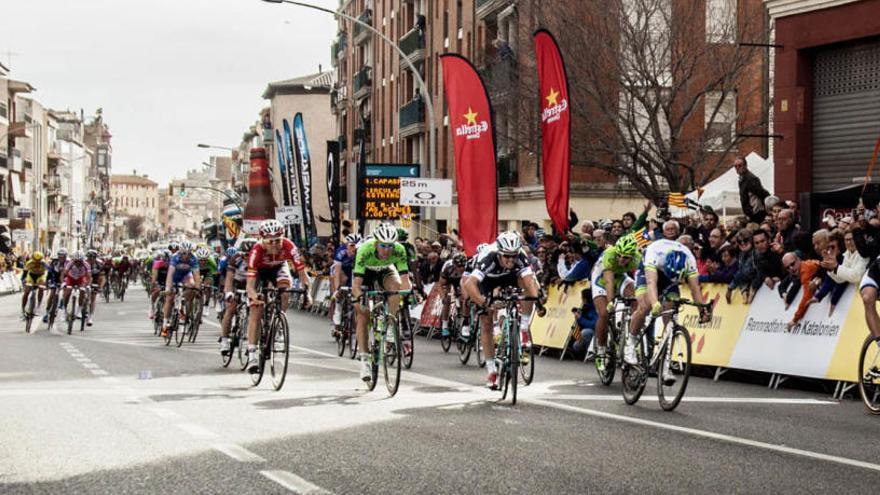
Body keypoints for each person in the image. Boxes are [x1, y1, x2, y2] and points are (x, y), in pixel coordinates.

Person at [462, 231, 542, 389]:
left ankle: (524, 328)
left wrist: (536, 300)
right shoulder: (488, 258)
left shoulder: (520, 256)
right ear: (499, 253)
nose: (511, 260)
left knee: (530, 285)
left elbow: (529, 283)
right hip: (487, 281)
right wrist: (485, 303)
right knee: (486, 323)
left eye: (514, 256)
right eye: (507, 256)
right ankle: (492, 371)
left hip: (509, 277)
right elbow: (469, 285)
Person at [627, 237, 711, 383]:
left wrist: (702, 311)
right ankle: (630, 344)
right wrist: (655, 303)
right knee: (645, 306)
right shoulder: (655, 253)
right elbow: (651, 283)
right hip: (648, 271)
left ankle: (665, 367)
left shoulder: (689, 260)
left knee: (671, 314)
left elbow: (695, 289)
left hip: (670, 279)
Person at [245, 220, 312, 372]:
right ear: (263, 240)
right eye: (270, 241)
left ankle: (279, 324)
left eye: (278, 241)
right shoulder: (256, 251)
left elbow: (302, 274)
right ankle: (252, 352)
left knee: (285, 292)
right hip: (260, 272)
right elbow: (249, 285)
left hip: (279, 268)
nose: (274, 245)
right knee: (256, 309)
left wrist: (307, 293)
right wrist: (254, 296)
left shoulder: (289, 246)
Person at [351, 223, 413, 381]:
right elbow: (356, 285)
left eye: (390, 246)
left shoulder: (399, 250)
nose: (387, 250)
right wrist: (359, 299)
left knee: (395, 288)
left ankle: (390, 323)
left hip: (385, 270)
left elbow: (405, 281)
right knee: (362, 314)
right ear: (376, 243)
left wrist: (406, 294)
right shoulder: (365, 250)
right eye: (383, 246)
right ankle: (365, 360)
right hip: (366, 273)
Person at [591, 235, 640, 373]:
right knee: (604, 313)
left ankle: (630, 335)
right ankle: (601, 350)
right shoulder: (609, 254)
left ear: (632, 256)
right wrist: (611, 302)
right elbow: (609, 282)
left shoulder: (637, 257)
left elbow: (644, 278)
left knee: (636, 298)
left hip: (621, 277)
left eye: (625, 257)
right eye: (619, 255)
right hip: (601, 279)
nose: (621, 259)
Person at [219, 238, 257, 355]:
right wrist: (229, 292)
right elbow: (229, 278)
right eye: (245, 254)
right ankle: (224, 341)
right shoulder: (236, 258)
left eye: (250, 254)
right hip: (237, 283)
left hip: (252, 284)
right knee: (230, 309)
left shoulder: (258, 259)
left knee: (256, 311)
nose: (247, 257)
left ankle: (253, 342)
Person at [161, 241, 202, 338]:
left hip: (185, 276)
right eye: (184, 253)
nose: (187, 256)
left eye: (189, 253)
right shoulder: (175, 257)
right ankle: (165, 325)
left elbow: (196, 276)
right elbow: (170, 274)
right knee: (169, 297)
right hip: (174, 276)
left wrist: (197, 289)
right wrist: (168, 288)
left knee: (191, 286)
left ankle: (184, 311)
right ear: (180, 252)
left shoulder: (193, 258)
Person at [330, 233, 360, 337]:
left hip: (352, 271)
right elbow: (337, 272)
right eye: (352, 245)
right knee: (342, 282)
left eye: (356, 246)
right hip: (341, 270)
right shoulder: (341, 252)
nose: (354, 248)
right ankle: (338, 310)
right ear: (346, 245)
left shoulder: (360, 253)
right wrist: (337, 289)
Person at [781, 252, 821, 331]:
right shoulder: (804, 266)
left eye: (792, 264)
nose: (791, 269)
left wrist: (795, 319)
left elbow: (807, 297)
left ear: (798, 260)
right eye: (787, 268)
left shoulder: (805, 269)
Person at [439, 253, 468, 338]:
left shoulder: (468, 267)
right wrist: (442, 297)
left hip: (462, 280)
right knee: (447, 299)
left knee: (464, 297)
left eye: (463, 266)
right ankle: (445, 326)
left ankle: (463, 322)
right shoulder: (448, 268)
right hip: (449, 279)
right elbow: (440, 285)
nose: (461, 268)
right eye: (459, 266)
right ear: (454, 265)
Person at [735, 156, 770, 223]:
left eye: (739, 165)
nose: (737, 168)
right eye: (735, 166)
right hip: (751, 214)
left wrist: (752, 210)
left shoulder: (750, 179)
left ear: (745, 166)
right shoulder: (742, 179)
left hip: (756, 214)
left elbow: (763, 193)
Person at [20, 251, 49, 319]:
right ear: (33, 259)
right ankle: (23, 309)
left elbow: (49, 272)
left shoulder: (44, 263)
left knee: (41, 288)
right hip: (31, 276)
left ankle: (38, 306)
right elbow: (24, 273)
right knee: (26, 291)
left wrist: (47, 282)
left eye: (38, 261)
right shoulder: (29, 263)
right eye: (35, 260)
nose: (37, 262)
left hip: (40, 276)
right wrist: (23, 280)